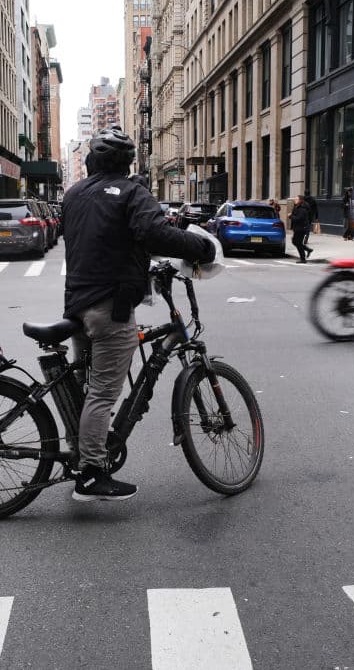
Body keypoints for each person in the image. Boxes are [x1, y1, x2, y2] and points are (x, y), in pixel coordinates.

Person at [62, 126, 215, 502]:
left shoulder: (74, 194)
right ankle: (92, 474)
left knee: (84, 387)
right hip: (109, 307)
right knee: (101, 392)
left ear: (92, 160)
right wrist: (203, 248)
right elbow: (155, 233)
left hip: (76, 305)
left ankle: (79, 453)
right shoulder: (132, 192)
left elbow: (100, 240)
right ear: (128, 162)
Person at [288, 194, 313, 263]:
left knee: (297, 243)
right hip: (298, 228)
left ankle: (303, 259)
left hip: (301, 228)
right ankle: (308, 250)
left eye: (296, 199)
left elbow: (299, 219)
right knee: (295, 242)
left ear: (300, 200)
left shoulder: (302, 208)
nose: (294, 200)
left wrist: (290, 216)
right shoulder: (297, 206)